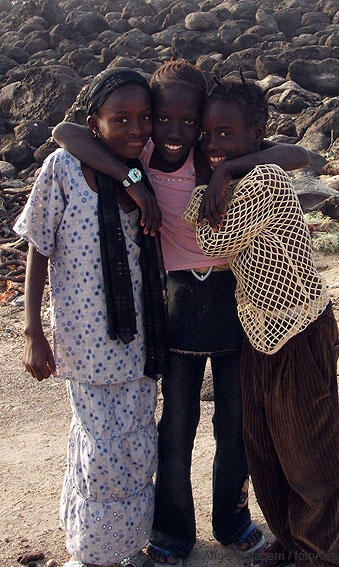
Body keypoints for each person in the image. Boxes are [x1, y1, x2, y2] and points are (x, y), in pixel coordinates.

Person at [52, 60, 309, 566]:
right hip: (174, 302)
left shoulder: (214, 155)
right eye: (164, 119)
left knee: (235, 424)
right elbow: (66, 132)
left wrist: (231, 170)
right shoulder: (144, 152)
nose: (176, 133)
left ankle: (232, 521)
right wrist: (132, 178)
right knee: (176, 425)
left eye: (189, 122)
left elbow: (296, 153)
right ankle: (173, 532)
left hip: (235, 301)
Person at [183, 76, 339, 567]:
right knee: (267, 446)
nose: (212, 144)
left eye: (226, 134)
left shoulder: (265, 180)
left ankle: (319, 555)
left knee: (308, 451)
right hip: (259, 327)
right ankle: (292, 541)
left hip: (298, 328)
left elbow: (214, 244)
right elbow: (208, 222)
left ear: (258, 134)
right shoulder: (240, 174)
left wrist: (219, 176)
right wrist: (223, 170)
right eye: (207, 134)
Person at [14, 68, 168, 567]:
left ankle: (128, 546)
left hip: (141, 337)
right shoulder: (62, 168)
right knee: (101, 450)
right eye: (119, 118)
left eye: (144, 118)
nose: (135, 129)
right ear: (94, 122)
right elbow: (38, 245)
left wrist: (133, 175)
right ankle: (92, 552)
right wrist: (32, 329)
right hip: (85, 341)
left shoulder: (145, 165)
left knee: (138, 443)